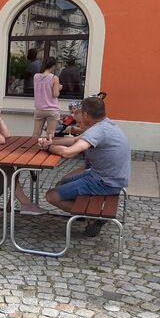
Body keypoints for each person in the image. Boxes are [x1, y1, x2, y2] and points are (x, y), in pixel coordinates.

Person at [39, 96, 130, 237]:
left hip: (105, 182)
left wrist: (49, 148)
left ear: (86, 114)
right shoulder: (107, 124)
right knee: (62, 182)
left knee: (52, 196)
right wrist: (51, 141)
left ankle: (94, 216)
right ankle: (81, 211)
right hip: (110, 176)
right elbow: (75, 140)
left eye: (81, 113)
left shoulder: (97, 131)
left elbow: (68, 152)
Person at [33, 57, 63, 138]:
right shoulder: (54, 78)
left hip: (39, 108)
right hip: (52, 109)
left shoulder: (36, 76)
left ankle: (32, 145)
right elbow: (55, 94)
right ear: (53, 66)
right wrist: (59, 88)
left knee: (36, 133)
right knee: (50, 133)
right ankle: (48, 145)